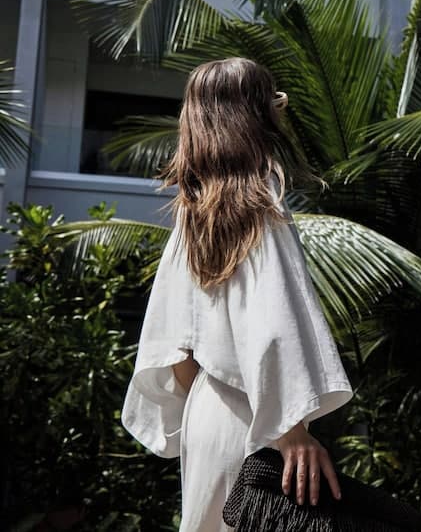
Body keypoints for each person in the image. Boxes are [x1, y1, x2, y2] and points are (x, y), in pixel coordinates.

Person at [121, 58, 354, 531]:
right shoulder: (259, 204)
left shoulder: (194, 211)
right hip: (257, 420)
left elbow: (174, 348)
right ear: (254, 115)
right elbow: (272, 324)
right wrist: (291, 431)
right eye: (272, 101)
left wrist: (216, 397)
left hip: (209, 410)